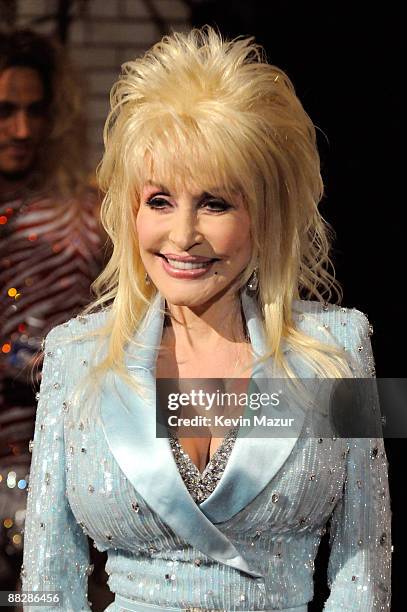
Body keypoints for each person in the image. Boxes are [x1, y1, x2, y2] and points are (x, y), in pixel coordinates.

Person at [21, 26, 391, 612]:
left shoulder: (340, 346)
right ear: (129, 210)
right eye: (159, 201)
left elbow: (364, 573)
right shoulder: (75, 355)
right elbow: (45, 583)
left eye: (215, 202)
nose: (182, 236)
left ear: (264, 215)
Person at [0, 29, 109, 608]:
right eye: (5, 111)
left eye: (35, 111)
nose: (21, 130)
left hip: (87, 446)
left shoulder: (88, 212)